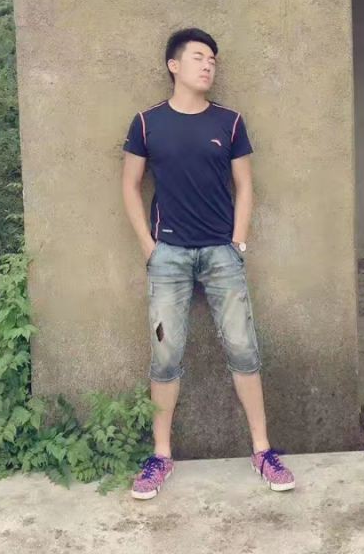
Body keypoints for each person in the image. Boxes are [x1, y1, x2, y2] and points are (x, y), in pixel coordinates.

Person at [121, 28, 295, 500]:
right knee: (165, 354)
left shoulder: (230, 122)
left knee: (243, 348)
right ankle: (160, 456)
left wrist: (237, 243)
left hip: (222, 255)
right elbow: (129, 186)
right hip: (168, 258)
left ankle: (262, 451)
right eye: (199, 57)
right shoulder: (147, 123)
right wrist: (149, 247)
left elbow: (246, 186)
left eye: (213, 60)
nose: (208, 65)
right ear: (174, 65)